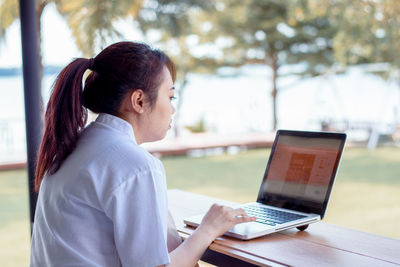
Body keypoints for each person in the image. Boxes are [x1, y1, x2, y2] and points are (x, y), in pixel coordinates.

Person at [30, 41, 256, 267]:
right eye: (170, 97)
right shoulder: (135, 165)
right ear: (138, 101)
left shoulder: (75, 146)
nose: (173, 109)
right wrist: (208, 229)